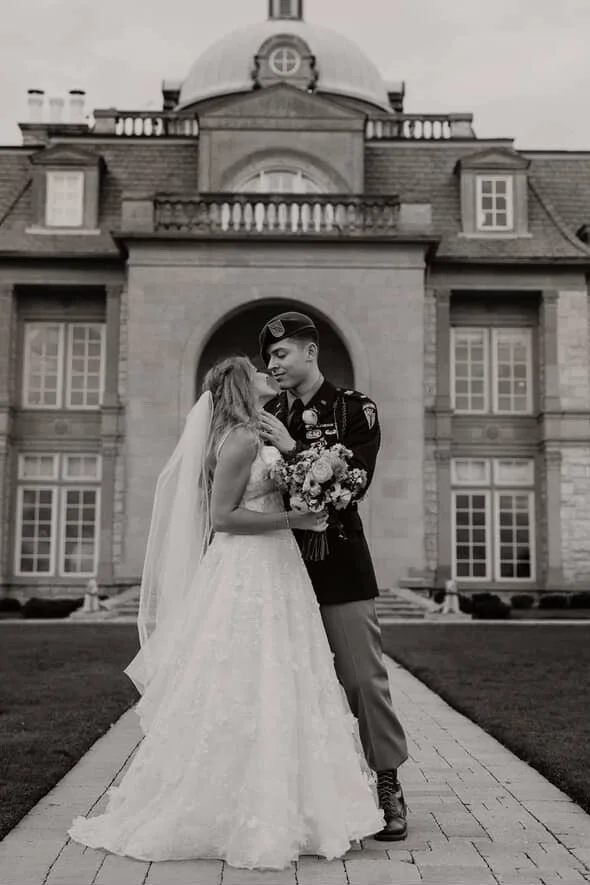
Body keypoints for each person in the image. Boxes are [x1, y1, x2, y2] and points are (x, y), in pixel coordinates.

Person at [68, 355, 384, 871]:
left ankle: (282, 799)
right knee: (252, 677)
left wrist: (300, 467)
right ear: (240, 385)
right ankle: (244, 805)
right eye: (258, 370)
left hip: (275, 567)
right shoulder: (238, 439)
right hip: (251, 567)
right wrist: (297, 518)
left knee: (280, 678)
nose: (267, 372)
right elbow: (222, 517)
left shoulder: (254, 434)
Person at [258, 311, 409, 841]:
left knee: (363, 680)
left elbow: (354, 484)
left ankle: (387, 783)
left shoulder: (353, 409)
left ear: (309, 352)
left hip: (339, 561)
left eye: (280, 354)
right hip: (278, 565)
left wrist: (294, 448)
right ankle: (299, 794)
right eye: (268, 359)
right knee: (286, 684)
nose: (272, 365)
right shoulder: (266, 413)